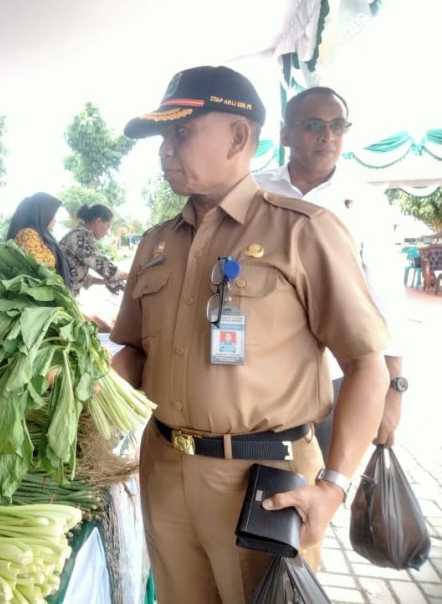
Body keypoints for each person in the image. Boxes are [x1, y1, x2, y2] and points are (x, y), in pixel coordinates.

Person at [110, 65, 389, 602]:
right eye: (164, 136)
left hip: (263, 483)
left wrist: (332, 488)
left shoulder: (302, 231)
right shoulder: (156, 244)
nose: (165, 149)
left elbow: (366, 364)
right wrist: (81, 384)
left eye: (181, 132)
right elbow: (135, 352)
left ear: (239, 135)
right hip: (165, 468)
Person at [255, 87, 407, 456]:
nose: (328, 135)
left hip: (335, 376)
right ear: (285, 133)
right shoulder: (253, 191)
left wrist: (394, 390)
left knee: (318, 492)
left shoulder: (366, 202)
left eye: (338, 125)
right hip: (254, 376)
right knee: (253, 496)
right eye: (314, 125)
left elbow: (386, 298)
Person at [58, 203, 127, 295]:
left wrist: (108, 282)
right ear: (98, 221)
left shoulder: (79, 234)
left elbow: (80, 276)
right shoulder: (80, 236)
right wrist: (132, 276)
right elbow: (102, 265)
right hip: (61, 294)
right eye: (108, 226)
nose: (107, 232)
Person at [6, 191, 70, 283]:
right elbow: (39, 269)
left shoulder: (42, 234)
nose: (55, 219)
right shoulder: (28, 234)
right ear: (43, 214)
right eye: (53, 215)